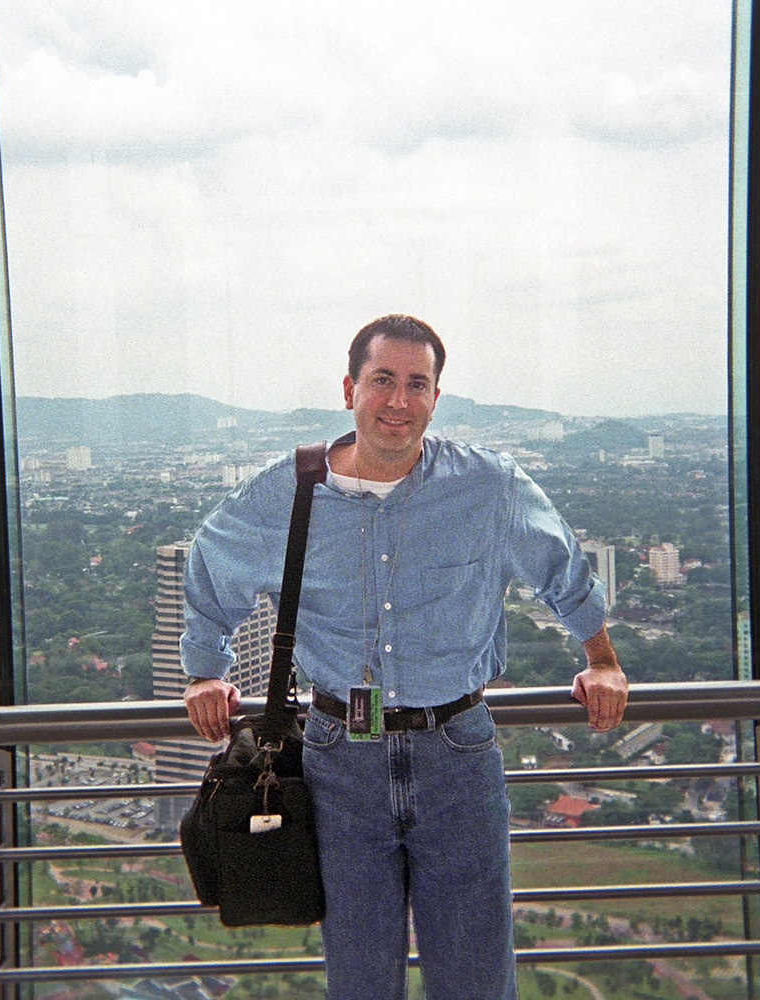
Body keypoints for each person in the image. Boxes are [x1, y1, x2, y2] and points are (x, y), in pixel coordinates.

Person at [182, 314, 628, 1000]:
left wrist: (601, 657)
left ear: (435, 397)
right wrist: (205, 670)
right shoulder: (288, 491)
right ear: (349, 389)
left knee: (476, 975)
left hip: (458, 753)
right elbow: (212, 565)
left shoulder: (486, 485)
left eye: (416, 383)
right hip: (338, 763)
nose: (399, 400)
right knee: (360, 979)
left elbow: (562, 566)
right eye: (382, 379)